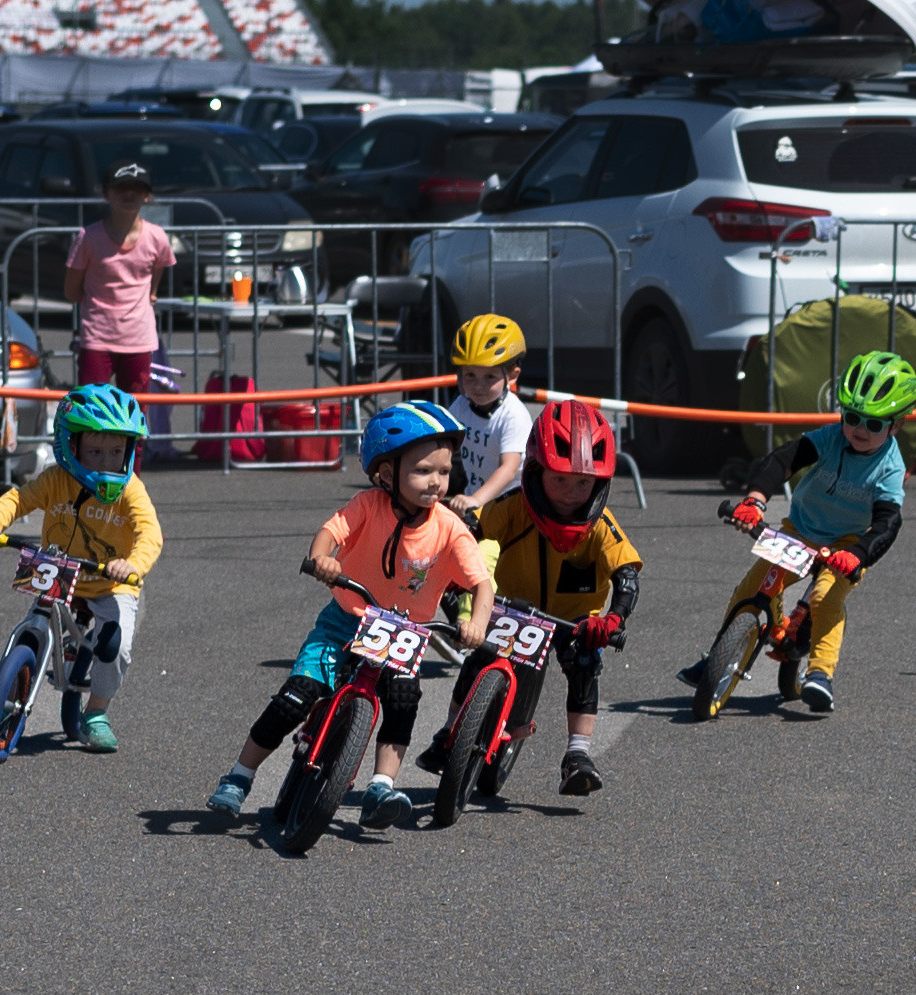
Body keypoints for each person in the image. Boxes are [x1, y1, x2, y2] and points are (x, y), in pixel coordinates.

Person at [207, 402, 495, 828]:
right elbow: (331, 532)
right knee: (296, 695)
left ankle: (381, 784)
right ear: (385, 473)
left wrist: (476, 624)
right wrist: (322, 559)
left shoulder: (450, 527)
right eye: (422, 471)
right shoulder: (368, 505)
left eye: (444, 471)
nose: (436, 482)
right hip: (346, 617)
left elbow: (481, 583)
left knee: (402, 701)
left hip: (403, 632)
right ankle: (239, 775)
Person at [418, 396, 640, 796]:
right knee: (478, 656)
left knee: (585, 664)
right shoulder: (515, 507)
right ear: (536, 471)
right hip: (513, 609)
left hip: (574, 621)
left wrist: (614, 618)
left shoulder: (602, 526)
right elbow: (472, 531)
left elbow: (627, 575)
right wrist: (450, 571)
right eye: (559, 479)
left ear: (600, 482)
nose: (571, 493)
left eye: (583, 482)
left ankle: (578, 753)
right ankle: (450, 731)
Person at [679, 350, 916, 714]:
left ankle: (820, 673)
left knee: (825, 598)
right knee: (751, 587)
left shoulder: (888, 467)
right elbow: (784, 459)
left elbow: (888, 522)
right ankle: (716, 656)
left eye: (873, 424)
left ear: (896, 425)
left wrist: (858, 554)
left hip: (847, 544)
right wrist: (755, 500)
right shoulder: (832, 437)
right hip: (801, 529)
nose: (857, 430)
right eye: (852, 417)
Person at [0, 384, 163, 753]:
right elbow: (18, 499)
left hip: (110, 583)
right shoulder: (56, 478)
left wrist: (132, 564)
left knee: (115, 649)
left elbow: (150, 532)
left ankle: (97, 712)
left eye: (116, 451)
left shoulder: (130, 489)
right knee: (29, 633)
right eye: (95, 451)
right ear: (71, 447)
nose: (106, 461)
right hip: (56, 566)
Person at [66, 160, 174, 397]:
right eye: (120, 187)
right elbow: (71, 290)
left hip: (139, 338)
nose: (128, 194)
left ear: (146, 195)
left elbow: (158, 270)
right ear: (106, 194)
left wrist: (151, 293)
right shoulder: (88, 237)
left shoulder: (157, 237)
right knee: (91, 413)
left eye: (137, 188)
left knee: (135, 415)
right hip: (97, 338)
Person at [445, 313, 531, 518]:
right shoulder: (462, 405)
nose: (478, 386)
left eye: (490, 376)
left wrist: (476, 499)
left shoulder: (513, 415)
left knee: (482, 552)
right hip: (474, 504)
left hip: (510, 509)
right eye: (470, 375)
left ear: (512, 376)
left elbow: (509, 469)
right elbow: (440, 442)